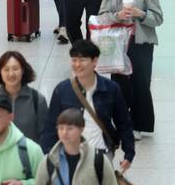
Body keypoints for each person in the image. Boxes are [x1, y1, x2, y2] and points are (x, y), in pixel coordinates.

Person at [42, 39, 134, 171]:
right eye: (74, 60)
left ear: (95, 61)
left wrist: (129, 153)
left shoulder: (111, 89)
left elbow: (123, 123)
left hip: (101, 154)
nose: (77, 64)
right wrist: (49, 155)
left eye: (82, 60)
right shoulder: (62, 90)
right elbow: (51, 126)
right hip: (69, 156)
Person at [98, 0, 163, 138]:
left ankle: (139, 124)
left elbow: (158, 18)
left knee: (141, 84)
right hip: (118, 43)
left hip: (141, 43)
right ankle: (121, 122)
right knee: (120, 84)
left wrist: (140, 14)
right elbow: (102, 16)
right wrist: (118, 15)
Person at [0, 52, 48, 144]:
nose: (11, 74)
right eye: (6, 69)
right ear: (0, 72)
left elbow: (46, 136)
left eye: (15, 69)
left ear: (23, 70)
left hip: (27, 157)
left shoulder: (37, 100)